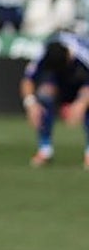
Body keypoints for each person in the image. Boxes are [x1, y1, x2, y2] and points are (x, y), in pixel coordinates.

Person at [21, 32, 89, 168]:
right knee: (44, 96)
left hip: (83, 82)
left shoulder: (84, 53)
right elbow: (27, 79)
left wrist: (81, 103)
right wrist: (30, 104)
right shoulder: (44, 52)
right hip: (58, 82)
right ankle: (45, 150)